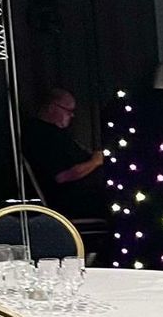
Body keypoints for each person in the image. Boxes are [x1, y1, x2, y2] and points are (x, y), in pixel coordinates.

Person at [20, 87, 108, 220]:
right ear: (51, 108)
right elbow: (62, 175)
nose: (72, 115)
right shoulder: (40, 134)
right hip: (73, 201)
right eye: (68, 110)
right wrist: (95, 162)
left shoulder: (56, 133)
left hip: (87, 194)